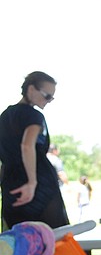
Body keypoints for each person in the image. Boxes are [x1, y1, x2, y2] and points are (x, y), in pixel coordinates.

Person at [0, 71, 70, 229]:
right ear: (31, 89)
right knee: (54, 238)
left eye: (52, 97)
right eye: (47, 96)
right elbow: (27, 145)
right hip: (39, 182)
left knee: (18, 241)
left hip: (10, 181)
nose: (49, 101)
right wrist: (32, 182)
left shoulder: (3, 117)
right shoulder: (34, 116)